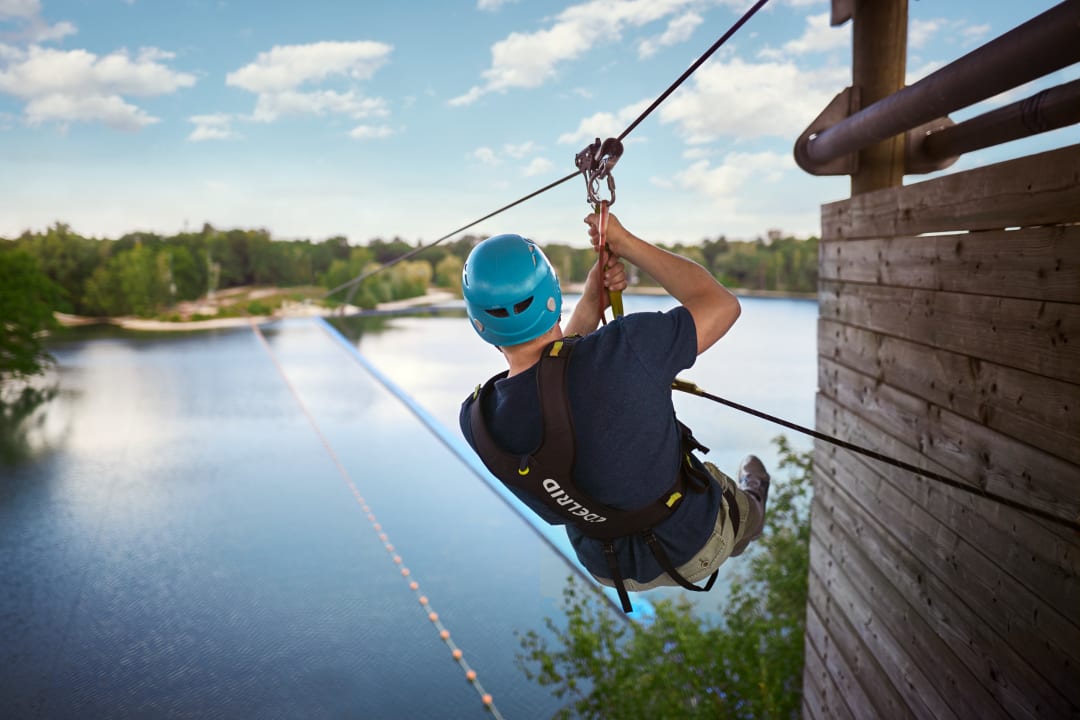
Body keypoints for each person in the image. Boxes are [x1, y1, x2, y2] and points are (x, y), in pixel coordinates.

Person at [458, 210, 770, 612]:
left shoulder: (478, 421)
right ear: (553, 294)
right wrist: (626, 244)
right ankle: (753, 505)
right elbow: (721, 305)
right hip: (698, 541)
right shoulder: (627, 347)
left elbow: (550, 387)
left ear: (478, 323)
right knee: (740, 507)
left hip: (610, 568)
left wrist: (591, 303)